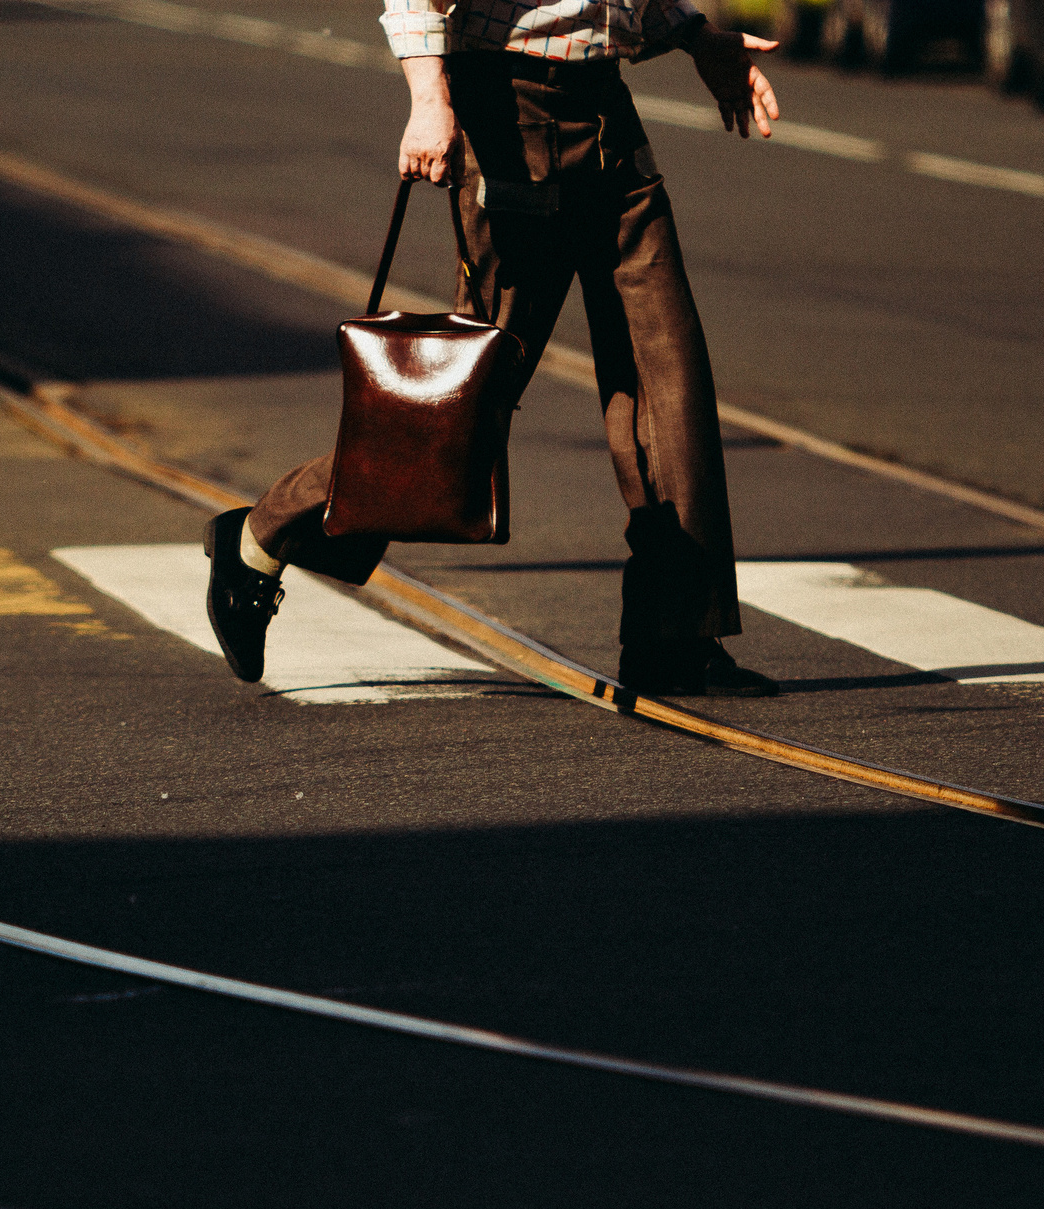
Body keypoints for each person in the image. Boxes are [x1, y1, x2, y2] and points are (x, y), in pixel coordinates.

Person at [204, 0, 785, 697]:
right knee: (463, 400)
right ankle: (262, 533)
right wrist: (429, 100)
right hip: (510, 117)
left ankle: (676, 638)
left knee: (670, 379)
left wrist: (694, 36)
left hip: (606, 110)